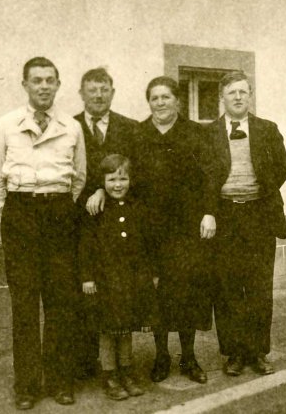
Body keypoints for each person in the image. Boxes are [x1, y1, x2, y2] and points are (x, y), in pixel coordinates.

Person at [0, 57, 86, 409]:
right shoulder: (7, 124)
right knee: (24, 304)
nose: (44, 86)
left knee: (61, 302)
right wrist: (12, 215)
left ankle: (60, 381)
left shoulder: (71, 126)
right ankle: (26, 385)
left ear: (58, 85)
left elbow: (80, 177)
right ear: (24, 84)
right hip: (21, 215)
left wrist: (58, 208)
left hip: (59, 215)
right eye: (37, 80)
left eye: (50, 80)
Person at [132, 76, 218, 384]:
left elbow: (210, 176)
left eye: (166, 97)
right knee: (157, 294)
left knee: (188, 292)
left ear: (177, 101)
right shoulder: (138, 134)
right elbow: (127, 181)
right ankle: (161, 356)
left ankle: (189, 357)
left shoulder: (195, 133)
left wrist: (209, 212)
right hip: (150, 229)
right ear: (149, 102)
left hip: (186, 228)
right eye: (154, 98)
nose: (160, 102)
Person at [207, 71, 286, 377]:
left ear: (250, 94)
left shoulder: (267, 129)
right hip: (226, 216)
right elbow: (204, 177)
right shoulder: (210, 133)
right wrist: (211, 211)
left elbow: (282, 168)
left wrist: (259, 189)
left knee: (258, 287)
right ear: (222, 97)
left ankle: (257, 352)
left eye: (243, 92)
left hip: (258, 216)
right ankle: (234, 353)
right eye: (231, 93)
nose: (238, 97)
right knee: (227, 287)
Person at [73, 67, 138, 379]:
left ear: (112, 92)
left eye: (103, 89)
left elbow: (134, 178)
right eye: (91, 89)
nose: (98, 95)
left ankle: (115, 369)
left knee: (116, 305)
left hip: (116, 226)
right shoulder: (68, 127)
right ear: (81, 93)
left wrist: (105, 189)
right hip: (79, 224)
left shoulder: (129, 128)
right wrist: (93, 190)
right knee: (85, 296)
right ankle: (89, 365)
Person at [78, 154, 157, 401]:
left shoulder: (138, 207)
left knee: (126, 328)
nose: (118, 185)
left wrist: (153, 273)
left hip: (131, 278)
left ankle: (126, 372)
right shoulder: (95, 208)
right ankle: (110, 376)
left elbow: (148, 243)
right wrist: (87, 277)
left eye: (123, 179)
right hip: (105, 280)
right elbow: (86, 246)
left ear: (131, 180)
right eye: (112, 179)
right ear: (102, 182)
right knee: (107, 329)